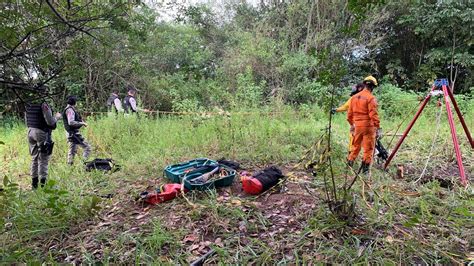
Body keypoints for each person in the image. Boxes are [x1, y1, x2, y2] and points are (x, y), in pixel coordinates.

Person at [347, 76, 381, 174]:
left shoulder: (353, 98)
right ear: (373, 87)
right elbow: (373, 114)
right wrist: (378, 127)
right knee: (368, 148)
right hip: (368, 127)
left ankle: (350, 164)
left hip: (357, 126)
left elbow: (349, 115)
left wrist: (352, 125)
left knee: (355, 145)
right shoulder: (371, 98)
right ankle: (365, 170)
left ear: (365, 84)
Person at [25, 96, 60, 189]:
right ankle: (43, 185)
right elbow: (50, 122)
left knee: (34, 158)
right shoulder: (43, 104)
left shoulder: (28, 103)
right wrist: (57, 117)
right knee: (43, 159)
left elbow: (26, 120)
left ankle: (34, 185)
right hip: (40, 132)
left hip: (29, 131)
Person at [331, 83, 364, 153]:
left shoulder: (354, 98)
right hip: (367, 123)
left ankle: (350, 156)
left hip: (357, 123)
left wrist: (336, 109)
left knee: (353, 137)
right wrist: (336, 109)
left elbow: (346, 107)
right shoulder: (367, 97)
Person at [63, 96, 92, 165]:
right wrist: (82, 123)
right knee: (87, 148)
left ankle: (69, 166)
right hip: (73, 134)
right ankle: (83, 164)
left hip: (71, 133)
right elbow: (71, 122)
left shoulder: (68, 109)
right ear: (74, 102)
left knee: (72, 150)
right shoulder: (69, 110)